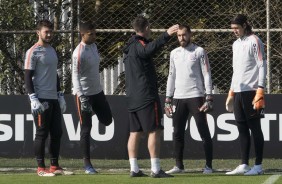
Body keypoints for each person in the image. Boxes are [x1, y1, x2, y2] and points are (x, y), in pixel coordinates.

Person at [122, 15, 178, 178]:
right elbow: (147, 50)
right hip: (145, 96)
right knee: (154, 131)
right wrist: (166, 35)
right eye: (150, 26)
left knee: (135, 132)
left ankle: (134, 168)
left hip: (132, 97)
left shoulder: (129, 46)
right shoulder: (139, 44)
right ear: (146, 27)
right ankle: (155, 169)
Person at [24, 20, 73, 176]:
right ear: (38, 32)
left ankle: (55, 166)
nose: (50, 34)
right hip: (41, 98)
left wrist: (60, 95)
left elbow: (55, 75)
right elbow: (27, 78)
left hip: (53, 98)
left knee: (57, 132)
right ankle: (40, 168)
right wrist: (33, 98)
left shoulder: (52, 50)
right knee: (42, 133)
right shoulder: (33, 52)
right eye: (46, 31)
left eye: (51, 31)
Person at [164, 25, 214, 174]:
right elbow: (171, 76)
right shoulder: (174, 53)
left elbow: (206, 74)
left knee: (203, 131)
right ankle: (179, 166)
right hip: (179, 97)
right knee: (177, 132)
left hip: (196, 96)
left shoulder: (199, 51)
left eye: (184, 35)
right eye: (178, 36)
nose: (181, 38)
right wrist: (168, 98)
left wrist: (209, 95)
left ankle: (209, 166)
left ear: (190, 34)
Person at [225, 14, 267, 175]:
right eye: (232, 29)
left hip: (252, 91)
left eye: (236, 28)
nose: (234, 31)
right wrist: (231, 92)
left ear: (245, 25)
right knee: (242, 128)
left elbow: (262, 65)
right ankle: (244, 164)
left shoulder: (255, 41)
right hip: (238, 92)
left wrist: (260, 90)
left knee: (255, 127)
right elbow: (236, 71)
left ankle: (258, 165)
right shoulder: (235, 44)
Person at [72, 21, 113, 174]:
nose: (94, 36)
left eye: (95, 33)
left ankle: (91, 113)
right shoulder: (78, 52)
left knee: (108, 120)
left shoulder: (94, 46)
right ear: (82, 35)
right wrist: (82, 97)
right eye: (91, 34)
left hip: (98, 92)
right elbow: (75, 76)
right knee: (86, 129)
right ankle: (87, 164)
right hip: (84, 96)